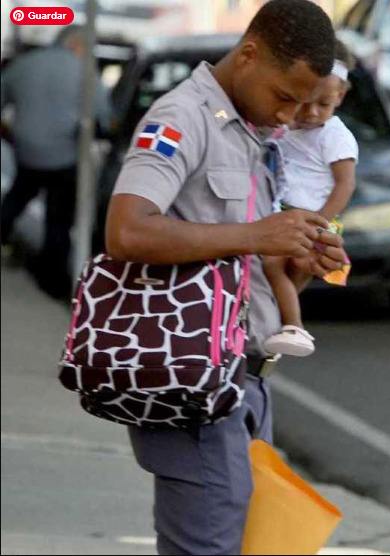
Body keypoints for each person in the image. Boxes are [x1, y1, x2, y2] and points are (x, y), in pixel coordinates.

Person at [106, 1, 347, 554]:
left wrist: (298, 261)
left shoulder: (254, 132)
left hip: (247, 377)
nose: (290, 116)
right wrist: (258, 236)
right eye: (285, 97)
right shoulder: (181, 119)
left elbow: (248, 267)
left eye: (305, 104)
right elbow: (126, 232)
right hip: (195, 384)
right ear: (248, 54)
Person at [0, 26, 112, 300]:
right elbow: (105, 119)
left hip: (26, 152)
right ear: (79, 45)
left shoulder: (24, 64)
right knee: (58, 220)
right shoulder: (86, 73)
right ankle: (50, 280)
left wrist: (11, 135)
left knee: (18, 196)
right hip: (63, 157)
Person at [263, 40, 358, 358]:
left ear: (340, 97)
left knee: (274, 266)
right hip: (283, 213)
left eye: (324, 104)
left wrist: (320, 223)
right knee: (277, 271)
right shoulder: (286, 127)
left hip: (310, 218)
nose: (312, 113)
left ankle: (293, 326)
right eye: (305, 102)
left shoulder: (335, 135)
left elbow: (345, 184)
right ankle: (278, 324)